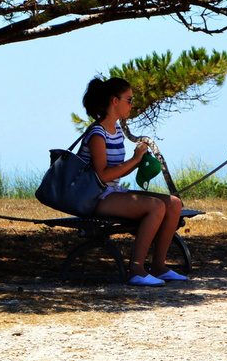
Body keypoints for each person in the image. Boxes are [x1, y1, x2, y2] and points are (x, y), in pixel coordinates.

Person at [80, 76, 187, 286]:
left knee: (173, 203)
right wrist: (134, 160)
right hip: (94, 197)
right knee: (156, 207)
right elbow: (102, 175)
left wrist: (138, 164)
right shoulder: (97, 133)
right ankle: (136, 269)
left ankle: (159, 266)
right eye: (129, 100)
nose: (132, 104)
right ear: (115, 101)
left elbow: (116, 173)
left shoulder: (117, 131)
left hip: (112, 192)